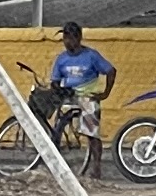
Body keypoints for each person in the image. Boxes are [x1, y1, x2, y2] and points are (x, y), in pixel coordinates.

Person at [41, 21, 116, 171]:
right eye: (66, 38)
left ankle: (96, 167)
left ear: (79, 38)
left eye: (72, 38)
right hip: (68, 95)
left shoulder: (91, 56)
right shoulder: (61, 59)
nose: (68, 42)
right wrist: (58, 89)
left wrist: (105, 93)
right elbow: (55, 81)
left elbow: (111, 71)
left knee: (91, 130)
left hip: (87, 95)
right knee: (42, 106)